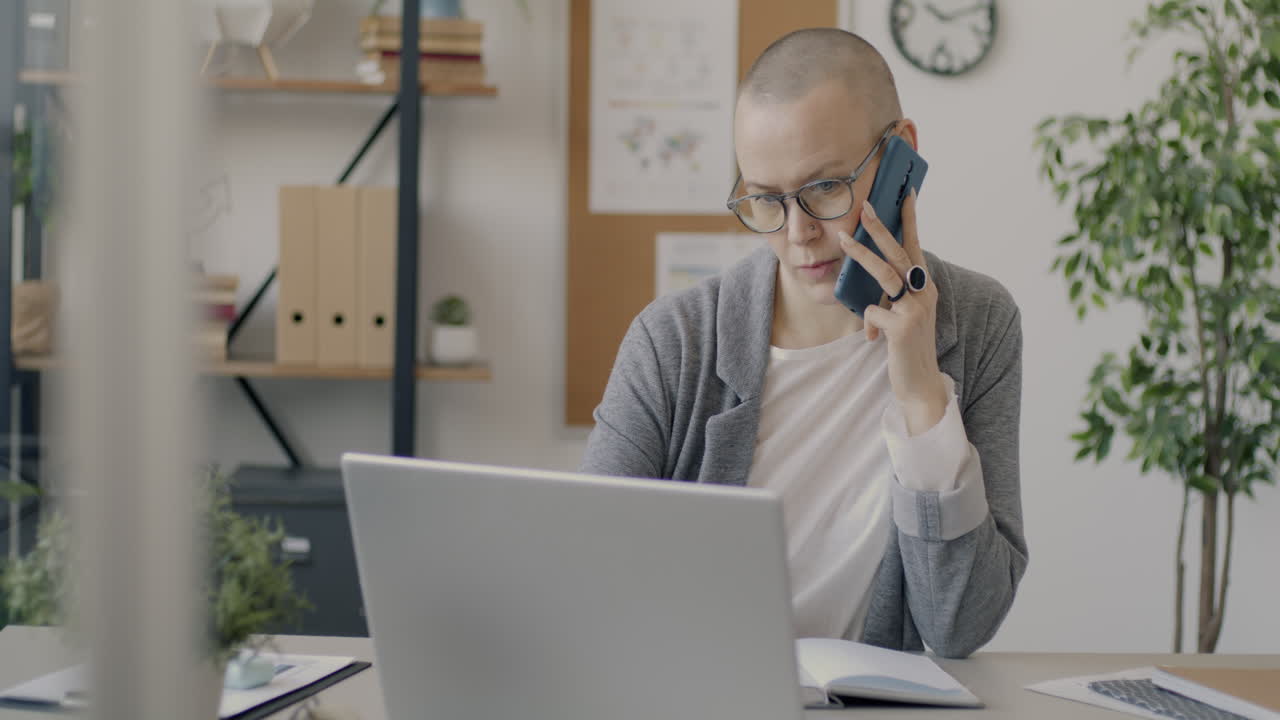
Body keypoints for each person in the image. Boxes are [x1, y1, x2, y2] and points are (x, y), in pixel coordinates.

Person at [581, 28, 1026, 659]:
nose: (798, 235)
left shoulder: (979, 324)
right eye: (765, 198)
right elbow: (586, 581)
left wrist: (924, 399)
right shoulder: (674, 340)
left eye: (825, 189)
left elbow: (960, 624)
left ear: (902, 156)